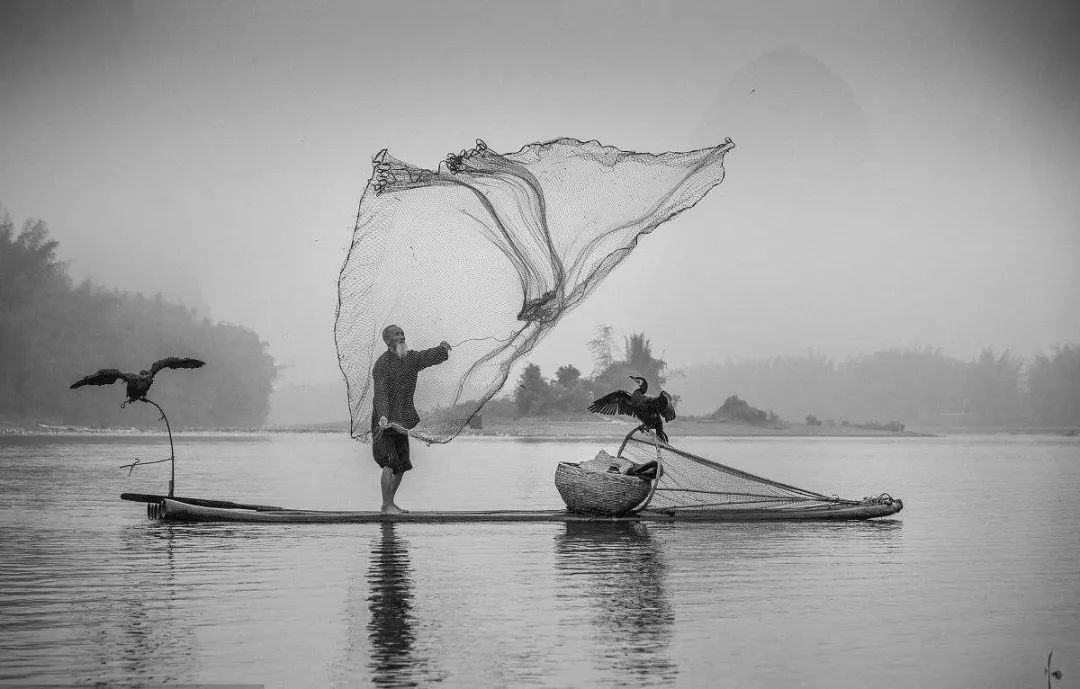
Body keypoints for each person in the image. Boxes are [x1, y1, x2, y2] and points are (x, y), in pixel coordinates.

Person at [371, 324, 451, 513]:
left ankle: (390, 503)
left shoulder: (410, 358)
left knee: (401, 464)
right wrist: (382, 415)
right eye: (397, 335)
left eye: (403, 333)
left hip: (401, 421)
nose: (402, 337)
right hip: (384, 421)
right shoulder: (382, 364)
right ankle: (385, 504)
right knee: (389, 462)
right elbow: (380, 393)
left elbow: (427, 357)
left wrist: (442, 348)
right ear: (388, 341)